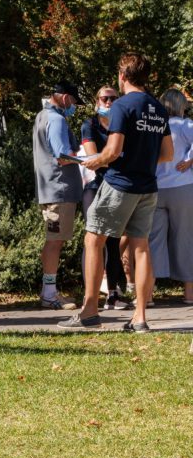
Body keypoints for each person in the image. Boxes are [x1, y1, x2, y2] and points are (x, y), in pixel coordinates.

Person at [61, 52, 174, 332]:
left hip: (119, 184)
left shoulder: (122, 106)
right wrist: (140, 160)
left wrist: (95, 160)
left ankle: (89, 311)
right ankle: (140, 318)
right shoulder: (159, 108)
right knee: (141, 247)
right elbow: (168, 154)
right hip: (148, 187)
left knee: (92, 240)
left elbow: (112, 152)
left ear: (122, 75)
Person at [32, 80, 84, 311]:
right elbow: (63, 156)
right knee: (55, 241)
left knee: (54, 240)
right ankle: (50, 294)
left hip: (50, 188)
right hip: (59, 189)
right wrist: (88, 160)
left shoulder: (42, 116)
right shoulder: (56, 119)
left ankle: (48, 291)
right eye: (73, 101)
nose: (73, 105)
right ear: (65, 98)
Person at [81, 86, 132, 310]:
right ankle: (89, 298)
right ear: (97, 101)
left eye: (113, 98)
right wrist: (112, 157)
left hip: (117, 186)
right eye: (105, 98)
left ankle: (113, 294)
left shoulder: (123, 124)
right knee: (93, 240)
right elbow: (93, 155)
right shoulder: (90, 125)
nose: (109, 102)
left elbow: (123, 156)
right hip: (96, 186)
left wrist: (108, 158)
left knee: (113, 241)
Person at [149, 88, 193, 304]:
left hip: (156, 188)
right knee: (185, 238)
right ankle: (189, 293)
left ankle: (147, 295)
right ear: (180, 105)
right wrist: (190, 159)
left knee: (153, 241)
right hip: (183, 187)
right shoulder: (185, 124)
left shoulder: (155, 125)